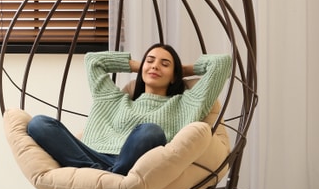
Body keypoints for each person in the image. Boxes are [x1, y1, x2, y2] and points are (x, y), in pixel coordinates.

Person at [26, 44, 231, 175]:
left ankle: (111, 174)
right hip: (92, 156)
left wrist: (183, 69)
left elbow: (223, 64)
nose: (155, 66)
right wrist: (139, 65)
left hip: (135, 162)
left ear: (175, 75)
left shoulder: (186, 103)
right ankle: (107, 173)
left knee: (150, 130)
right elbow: (93, 60)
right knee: (39, 123)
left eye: (164, 64)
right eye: (150, 61)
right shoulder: (113, 99)